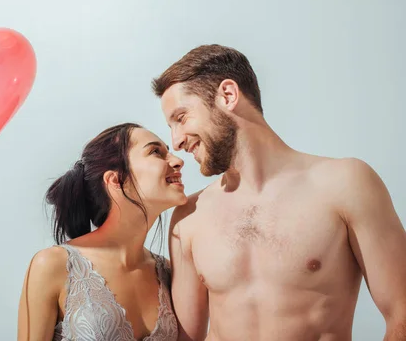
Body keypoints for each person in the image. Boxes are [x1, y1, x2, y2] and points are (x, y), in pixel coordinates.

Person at [151, 45, 406, 341]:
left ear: (228, 96)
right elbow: (186, 339)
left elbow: (402, 313)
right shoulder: (188, 217)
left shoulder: (345, 185)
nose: (177, 141)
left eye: (181, 118)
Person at [17, 123, 187, 341]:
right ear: (116, 180)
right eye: (156, 152)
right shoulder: (53, 265)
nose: (177, 160)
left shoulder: (169, 274)